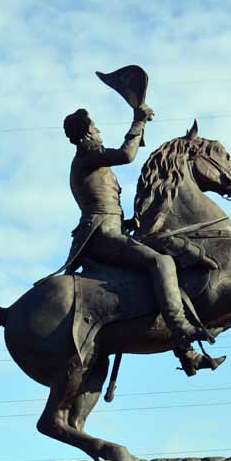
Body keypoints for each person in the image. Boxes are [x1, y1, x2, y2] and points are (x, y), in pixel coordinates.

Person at [61, 104, 213, 350]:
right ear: (87, 133)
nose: (99, 130)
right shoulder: (86, 157)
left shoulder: (92, 161)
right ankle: (180, 326)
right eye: (95, 126)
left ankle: (186, 352)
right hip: (102, 234)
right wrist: (138, 121)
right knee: (161, 262)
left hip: (112, 228)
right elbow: (126, 155)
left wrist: (131, 222)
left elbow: (106, 204)